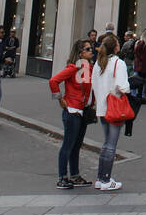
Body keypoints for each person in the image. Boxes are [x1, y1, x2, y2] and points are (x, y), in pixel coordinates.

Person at [49, 39, 94, 189]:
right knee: (68, 145)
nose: (91, 51)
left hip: (82, 110)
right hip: (72, 110)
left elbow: (89, 88)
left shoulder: (88, 68)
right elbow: (53, 81)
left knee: (76, 145)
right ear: (81, 52)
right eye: (88, 49)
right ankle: (62, 177)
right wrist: (60, 99)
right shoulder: (73, 68)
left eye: (90, 48)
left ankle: (74, 175)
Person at [90, 32, 130, 190]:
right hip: (114, 107)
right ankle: (106, 179)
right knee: (111, 144)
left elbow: (94, 84)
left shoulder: (99, 63)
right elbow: (123, 86)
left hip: (102, 106)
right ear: (115, 47)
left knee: (106, 143)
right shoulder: (118, 63)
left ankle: (101, 177)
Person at [133, 30, 146, 102]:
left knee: (142, 81)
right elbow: (136, 51)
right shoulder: (142, 43)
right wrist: (141, 59)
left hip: (143, 65)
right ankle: (139, 96)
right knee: (140, 81)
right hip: (142, 66)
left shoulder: (145, 44)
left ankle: (139, 95)